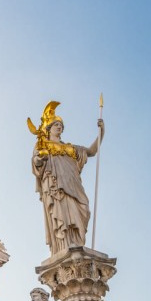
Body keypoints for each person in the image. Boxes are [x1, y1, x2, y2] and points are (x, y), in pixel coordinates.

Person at [29, 101, 105, 254]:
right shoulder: (43, 146)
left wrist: (101, 132)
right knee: (61, 217)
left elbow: (91, 151)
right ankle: (63, 246)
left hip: (73, 185)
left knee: (83, 209)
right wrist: (40, 159)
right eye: (56, 124)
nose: (59, 127)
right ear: (49, 128)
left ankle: (77, 243)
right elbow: (36, 162)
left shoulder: (70, 148)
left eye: (61, 125)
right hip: (56, 188)